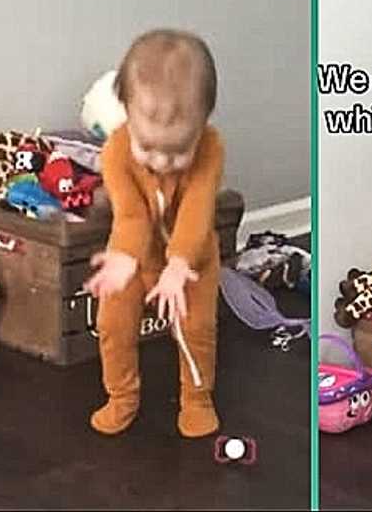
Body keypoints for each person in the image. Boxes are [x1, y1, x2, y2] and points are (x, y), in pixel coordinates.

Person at [83, 29, 226, 438]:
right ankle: (121, 396)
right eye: (149, 148)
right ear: (126, 111)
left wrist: (179, 265)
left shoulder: (212, 149)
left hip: (192, 262)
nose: (163, 162)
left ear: (204, 123)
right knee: (113, 322)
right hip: (135, 257)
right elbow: (130, 215)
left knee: (196, 329)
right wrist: (124, 259)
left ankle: (197, 398)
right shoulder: (115, 151)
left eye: (179, 151)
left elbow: (197, 212)